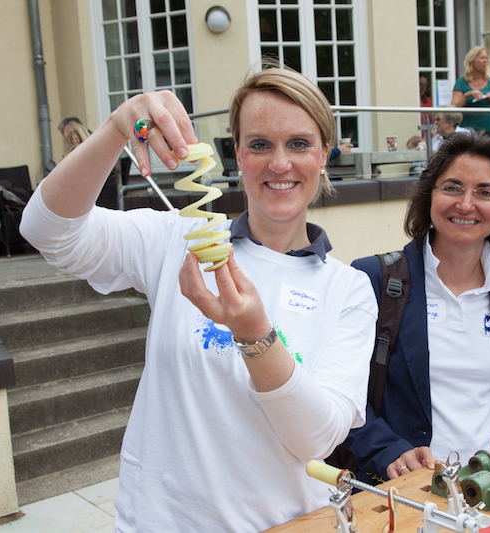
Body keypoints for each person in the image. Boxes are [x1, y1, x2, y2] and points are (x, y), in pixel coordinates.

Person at [20, 66, 378, 532]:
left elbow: (317, 437)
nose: (279, 163)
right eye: (259, 144)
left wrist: (255, 335)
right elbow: (46, 231)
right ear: (237, 154)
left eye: (298, 143)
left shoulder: (347, 289)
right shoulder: (180, 240)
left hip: (284, 525)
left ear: (324, 154)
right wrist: (116, 128)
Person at [341, 132, 490, 483]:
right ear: (429, 196)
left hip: (483, 484)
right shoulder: (375, 278)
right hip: (401, 488)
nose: (466, 204)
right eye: (452, 187)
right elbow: (341, 385)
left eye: (484, 192)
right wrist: (385, 450)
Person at [57, 116, 120, 209]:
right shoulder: (97, 140)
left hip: (101, 194)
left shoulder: (84, 149)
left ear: (74, 137)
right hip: (110, 189)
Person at [451, 46, 490, 143]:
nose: (485, 61)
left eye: (486, 58)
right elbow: (454, 108)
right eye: (482, 58)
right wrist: (467, 95)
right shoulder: (461, 83)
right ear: (472, 61)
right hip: (470, 131)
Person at [420, 73, 435, 137]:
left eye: (425, 85)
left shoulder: (429, 101)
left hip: (428, 137)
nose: (422, 88)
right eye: (420, 84)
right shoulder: (413, 101)